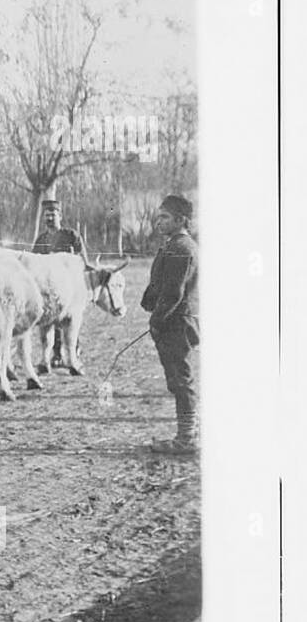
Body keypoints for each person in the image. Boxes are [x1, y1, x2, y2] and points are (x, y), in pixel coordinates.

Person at [141, 194, 198, 455]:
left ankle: (186, 439)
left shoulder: (182, 248)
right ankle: (188, 434)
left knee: (180, 379)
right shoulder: (176, 245)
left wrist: (156, 320)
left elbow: (174, 293)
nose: (158, 222)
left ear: (180, 220)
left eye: (164, 217)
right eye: (159, 216)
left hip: (177, 322)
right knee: (178, 378)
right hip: (176, 320)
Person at [32, 198, 85, 366]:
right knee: (51, 321)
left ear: (60, 216)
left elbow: (82, 261)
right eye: (46, 215)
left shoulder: (71, 236)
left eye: (53, 215)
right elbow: (34, 263)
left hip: (70, 286)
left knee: (70, 320)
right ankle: (56, 354)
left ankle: (74, 351)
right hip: (49, 287)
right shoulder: (41, 240)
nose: (49, 219)